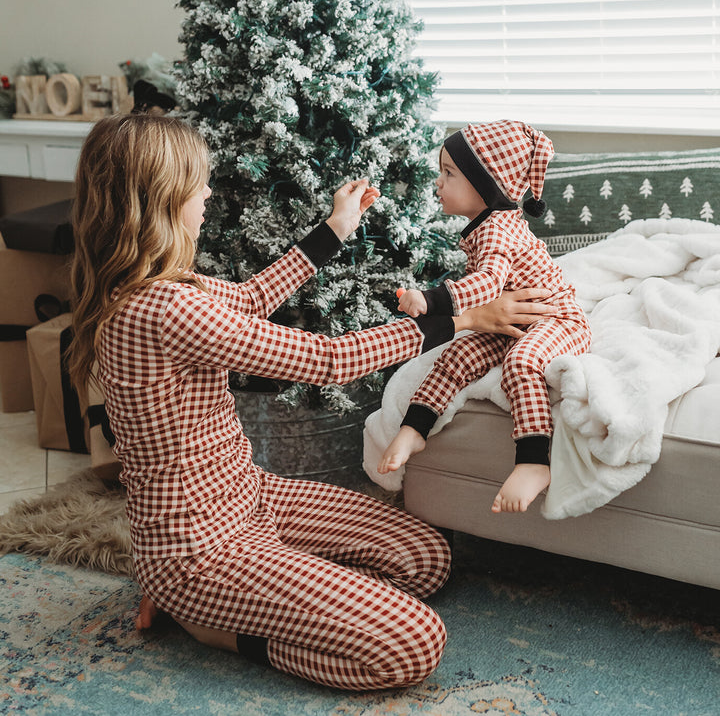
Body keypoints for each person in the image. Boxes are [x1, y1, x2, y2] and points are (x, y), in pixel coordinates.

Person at [68, 112, 558, 692]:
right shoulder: (162, 310)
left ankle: (275, 590)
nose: (207, 192)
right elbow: (331, 361)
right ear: (161, 199)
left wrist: (335, 228)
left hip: (251, 498)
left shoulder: (177, 287)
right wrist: (462, 320)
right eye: (198, 183)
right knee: (413, 645)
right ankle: (208, 623)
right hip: (199, 548)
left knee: (426, 557)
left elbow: (251, 297)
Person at [378, 119, 592, 514]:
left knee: (522, 363)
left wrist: (431, 299)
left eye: (449, 173)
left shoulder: (496, 230)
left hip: (556, 319)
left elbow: (487, 285)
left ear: (486, 183)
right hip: (511, 322)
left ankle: (533, 461)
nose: (437, 183)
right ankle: (414, 428)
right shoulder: (486, 226)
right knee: (454, 358)